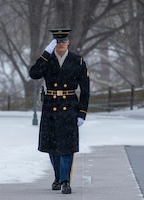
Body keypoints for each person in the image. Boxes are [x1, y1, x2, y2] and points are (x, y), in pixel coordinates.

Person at [29, 28, 90, 194]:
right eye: (57, 41)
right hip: (50, 107)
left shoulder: (77, 60)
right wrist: (45, 54)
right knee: (52, 146)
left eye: (63, 41)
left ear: (68, 42)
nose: (60, 44)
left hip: (69, 107)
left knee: (67, 147)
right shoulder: (47, 60)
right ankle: (57, 177)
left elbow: (85, 89)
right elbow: (34, 74)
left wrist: (82, 113)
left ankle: (65, 181)